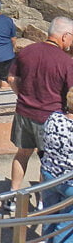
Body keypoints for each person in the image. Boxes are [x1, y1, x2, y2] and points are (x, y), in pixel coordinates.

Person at [4, 16, 73, 212]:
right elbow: (71, 93)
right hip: (50, 117)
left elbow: (10, 78)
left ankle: (12, 195)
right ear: (65, 36)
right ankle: (43, 201)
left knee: (22, 154)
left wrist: (23, 95)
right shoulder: (65, 61)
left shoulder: (27, 51)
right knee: (47, 159)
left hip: (24, 112)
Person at [40, 88, 73, 241]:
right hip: (69, 184)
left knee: (48, 216)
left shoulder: (53, 118)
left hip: (49, 176)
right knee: (66, 226)